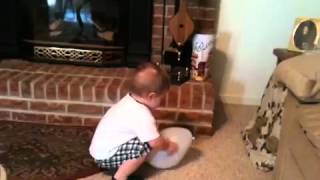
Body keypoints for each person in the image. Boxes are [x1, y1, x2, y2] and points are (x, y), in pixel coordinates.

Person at [89, 62, 178, 180]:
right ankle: (120, 176)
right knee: (144, 146)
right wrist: (168, 145)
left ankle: (123, 165)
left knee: (145, 137)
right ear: (151, 96)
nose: (162, 102)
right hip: (105, 156)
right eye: (161, 98)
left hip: (100, 150)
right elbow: (155, 143)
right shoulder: (142, 115)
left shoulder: (130, 99)